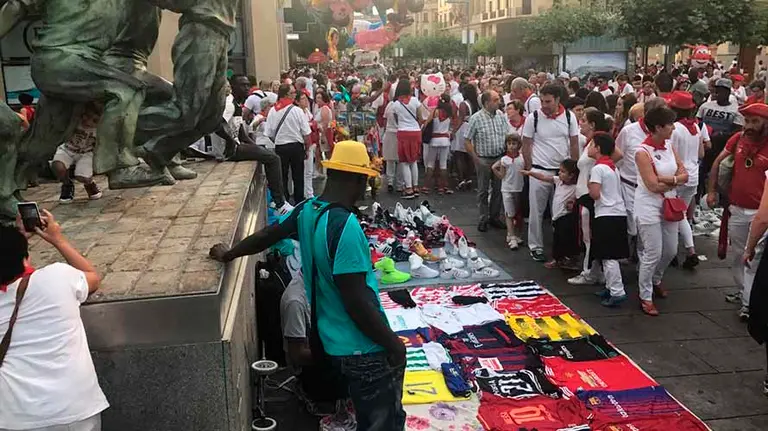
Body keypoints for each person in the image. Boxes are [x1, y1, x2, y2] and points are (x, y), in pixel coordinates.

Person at [209, 141, 406, 430]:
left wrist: (230, 253)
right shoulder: (346, 226)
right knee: (384, 422)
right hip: (363, 348)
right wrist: (393, 344)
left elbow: (269, 234)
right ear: (356, 179)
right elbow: (356, 301)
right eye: (365, 181)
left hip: (331, 342)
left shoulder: (308, 211)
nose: (365, 190)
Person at [0, 210, 108, 430]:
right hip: (74, 411)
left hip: (14, 417)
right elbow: (92, 277)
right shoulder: (58, 277)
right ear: (25, 257)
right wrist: (57, 239)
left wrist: (16, 242)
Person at [707, 103, 768, 320]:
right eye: (747, 121)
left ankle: (749, 304)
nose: (749, 126)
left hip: (761, 214)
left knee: (753, 259)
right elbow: (717, 163)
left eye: (755, 122)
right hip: (737, 209)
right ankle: (746, 293)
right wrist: (712, 190)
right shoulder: (738, 139)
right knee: (740, 256)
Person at [634, 106, 688, 316]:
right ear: (658, 127)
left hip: (668, 203)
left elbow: (684, 174)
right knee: (653, 251)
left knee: (671, 250)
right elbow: (652, 185)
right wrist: (675, 181)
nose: (674, 128)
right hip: (648, 205)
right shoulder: (642, 152)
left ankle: (655, 278)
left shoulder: (669, 145)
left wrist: (669, 180)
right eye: (670, 125)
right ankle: (645, 295)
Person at [522, 84, 580, 262]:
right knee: (536, 212)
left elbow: (574, 144)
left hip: (562, 174)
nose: (544, 105)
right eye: (542, 101)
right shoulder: (534, 118)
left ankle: (561, 249)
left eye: (548, 101)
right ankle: (536, 246)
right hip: (540, 168)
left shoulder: (570, 117)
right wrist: (530, 166)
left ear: (557, 100)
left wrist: (574, 170)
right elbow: (526, 143)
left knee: (562, 213)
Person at [220, 76, 292, 215]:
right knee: (274, 159)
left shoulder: (237, 105)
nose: (247, 88)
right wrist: (229, 141)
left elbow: (241, 133)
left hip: (236, 145)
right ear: (233, 87)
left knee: (270, 156)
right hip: (229, 150)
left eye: (248, 85)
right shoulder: (229, 104)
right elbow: (218, 124)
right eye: (242, 85)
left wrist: (256, 148)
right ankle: (279, 203)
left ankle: (277, 200)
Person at [569, 108, 618, 286]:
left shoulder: (597, 141)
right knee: (588, 235)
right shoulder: (589, 142)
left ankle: (589, 272)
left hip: (589, 196)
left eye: (583, 120)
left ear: (592, 124)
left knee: (589, 236)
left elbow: (617, 154)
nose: (580, 122)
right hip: (584, 193)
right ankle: (594, 271)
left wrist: (601, 168)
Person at [669, 91, 709, 270]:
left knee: (670, 216)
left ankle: (671, 254)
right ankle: (690, 251)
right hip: (693, 176)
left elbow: (670, 153)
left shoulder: (675, 128)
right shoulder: (697, 127)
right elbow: (701, 153)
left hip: (678, 176)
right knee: (682, 215)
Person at [588, 133, 630, 307]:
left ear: (598, 148)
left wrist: (590, 186)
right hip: (618, 212)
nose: (589, 147)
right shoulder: (612, 167)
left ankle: (617, 291)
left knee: (608, 256)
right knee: (607, 254)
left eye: (591, 144)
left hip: (605, 213)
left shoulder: (597, 169)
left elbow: (595, 194)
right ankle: (610, 286)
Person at [521, 159, 580, 269]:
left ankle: (571, 260)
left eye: (563, 172)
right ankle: (557, 259)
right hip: (557, 217)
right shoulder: (558, 181)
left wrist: (573, 203)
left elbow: (579, 198)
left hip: (566, 218)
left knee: (567, 240)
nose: (559, 173)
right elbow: (543, 177)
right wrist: (530, 173)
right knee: (557, 240)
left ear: (571, 175)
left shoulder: (575, 187)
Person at [465, 90, 510, 232]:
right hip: (483, 159)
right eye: (496, 100)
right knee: (483, 190)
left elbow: (507, 135)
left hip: (499, 158)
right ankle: (483, 218)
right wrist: (475, 158)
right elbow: (467, 140)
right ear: (486, 102)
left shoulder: (501, 116)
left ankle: (494, 217)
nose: (499, 102)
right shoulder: (476, 118)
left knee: (498, 190)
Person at [264, 83, 311, 205]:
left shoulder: (273, 111)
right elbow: (306, 133)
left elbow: (268, 133)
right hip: (296, 146)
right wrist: (307, 149)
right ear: (287, 95)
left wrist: (277, 140)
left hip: (280, 147)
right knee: (298, 176)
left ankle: (284, 202)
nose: (295, 95)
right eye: (293, 93)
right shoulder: (297, 110)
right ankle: (299, 202)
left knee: (282, 176)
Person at [698, 79, 744, 197]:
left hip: (723, 149)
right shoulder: (705, 106)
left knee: (721, 176)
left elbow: (738, 131)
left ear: (728, 93)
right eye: (716, 91)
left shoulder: (735, 110)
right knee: (701, 174)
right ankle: (699, 197)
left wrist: (722, 135)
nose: (718, 94)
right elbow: (697, 124)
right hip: (705, 147)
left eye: (722, 92)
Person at [51, 102, 103, 203]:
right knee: (57, 166)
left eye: (94, 120)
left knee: (82, 176)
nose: (88, 121)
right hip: (67, 149)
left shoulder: (99, 130)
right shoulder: (74, 122)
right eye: (86, 116)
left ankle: (89, 184)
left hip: (86, 153)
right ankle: (67, 184)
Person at [389, 77, 424, 199]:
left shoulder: (395, 104)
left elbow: (395, 120)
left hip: (403, 132)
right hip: (416, 132)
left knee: (404, 162)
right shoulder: (415, 101)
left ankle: (408, 188)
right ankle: (415, 187)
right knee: (414, 161)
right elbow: (420, 117)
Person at [492, 135, 525, 250]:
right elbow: (502, 176)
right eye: (509, 143)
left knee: (518, 213)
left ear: (518, 145)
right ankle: (511, 236)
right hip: (506, 189)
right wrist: (494, 169)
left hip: (519, 189)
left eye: (514, 144)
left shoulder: (522, 158)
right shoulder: (504, 160)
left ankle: (516, 234)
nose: (511, 146)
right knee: (509, 213)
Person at [423, 94, 454, 195]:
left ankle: (426, 186)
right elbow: (452, 126)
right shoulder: (450, 113)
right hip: (445, 140)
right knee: (443, 164)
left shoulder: (435, 111)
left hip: (434, 139)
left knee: (430, 163)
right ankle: (443, 186)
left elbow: (426, 123)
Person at [452, 83, 480, 191]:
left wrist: (454, 131)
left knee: (459, 154)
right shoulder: (476, 104)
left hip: (464, 127)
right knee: (470, 155)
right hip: (473, 127)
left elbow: (460, 118)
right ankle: (469, 178)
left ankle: (461, 179)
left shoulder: (463, 104)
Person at [297, 90, 316, 199]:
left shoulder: (307, 111)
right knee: (305, 170)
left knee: (309, 171)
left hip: (311, 141)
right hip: (303, 143)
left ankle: (309, 192)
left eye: (306, 98)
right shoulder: (298, 112)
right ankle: (307, 193)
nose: (306, 101)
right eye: (303, 99)